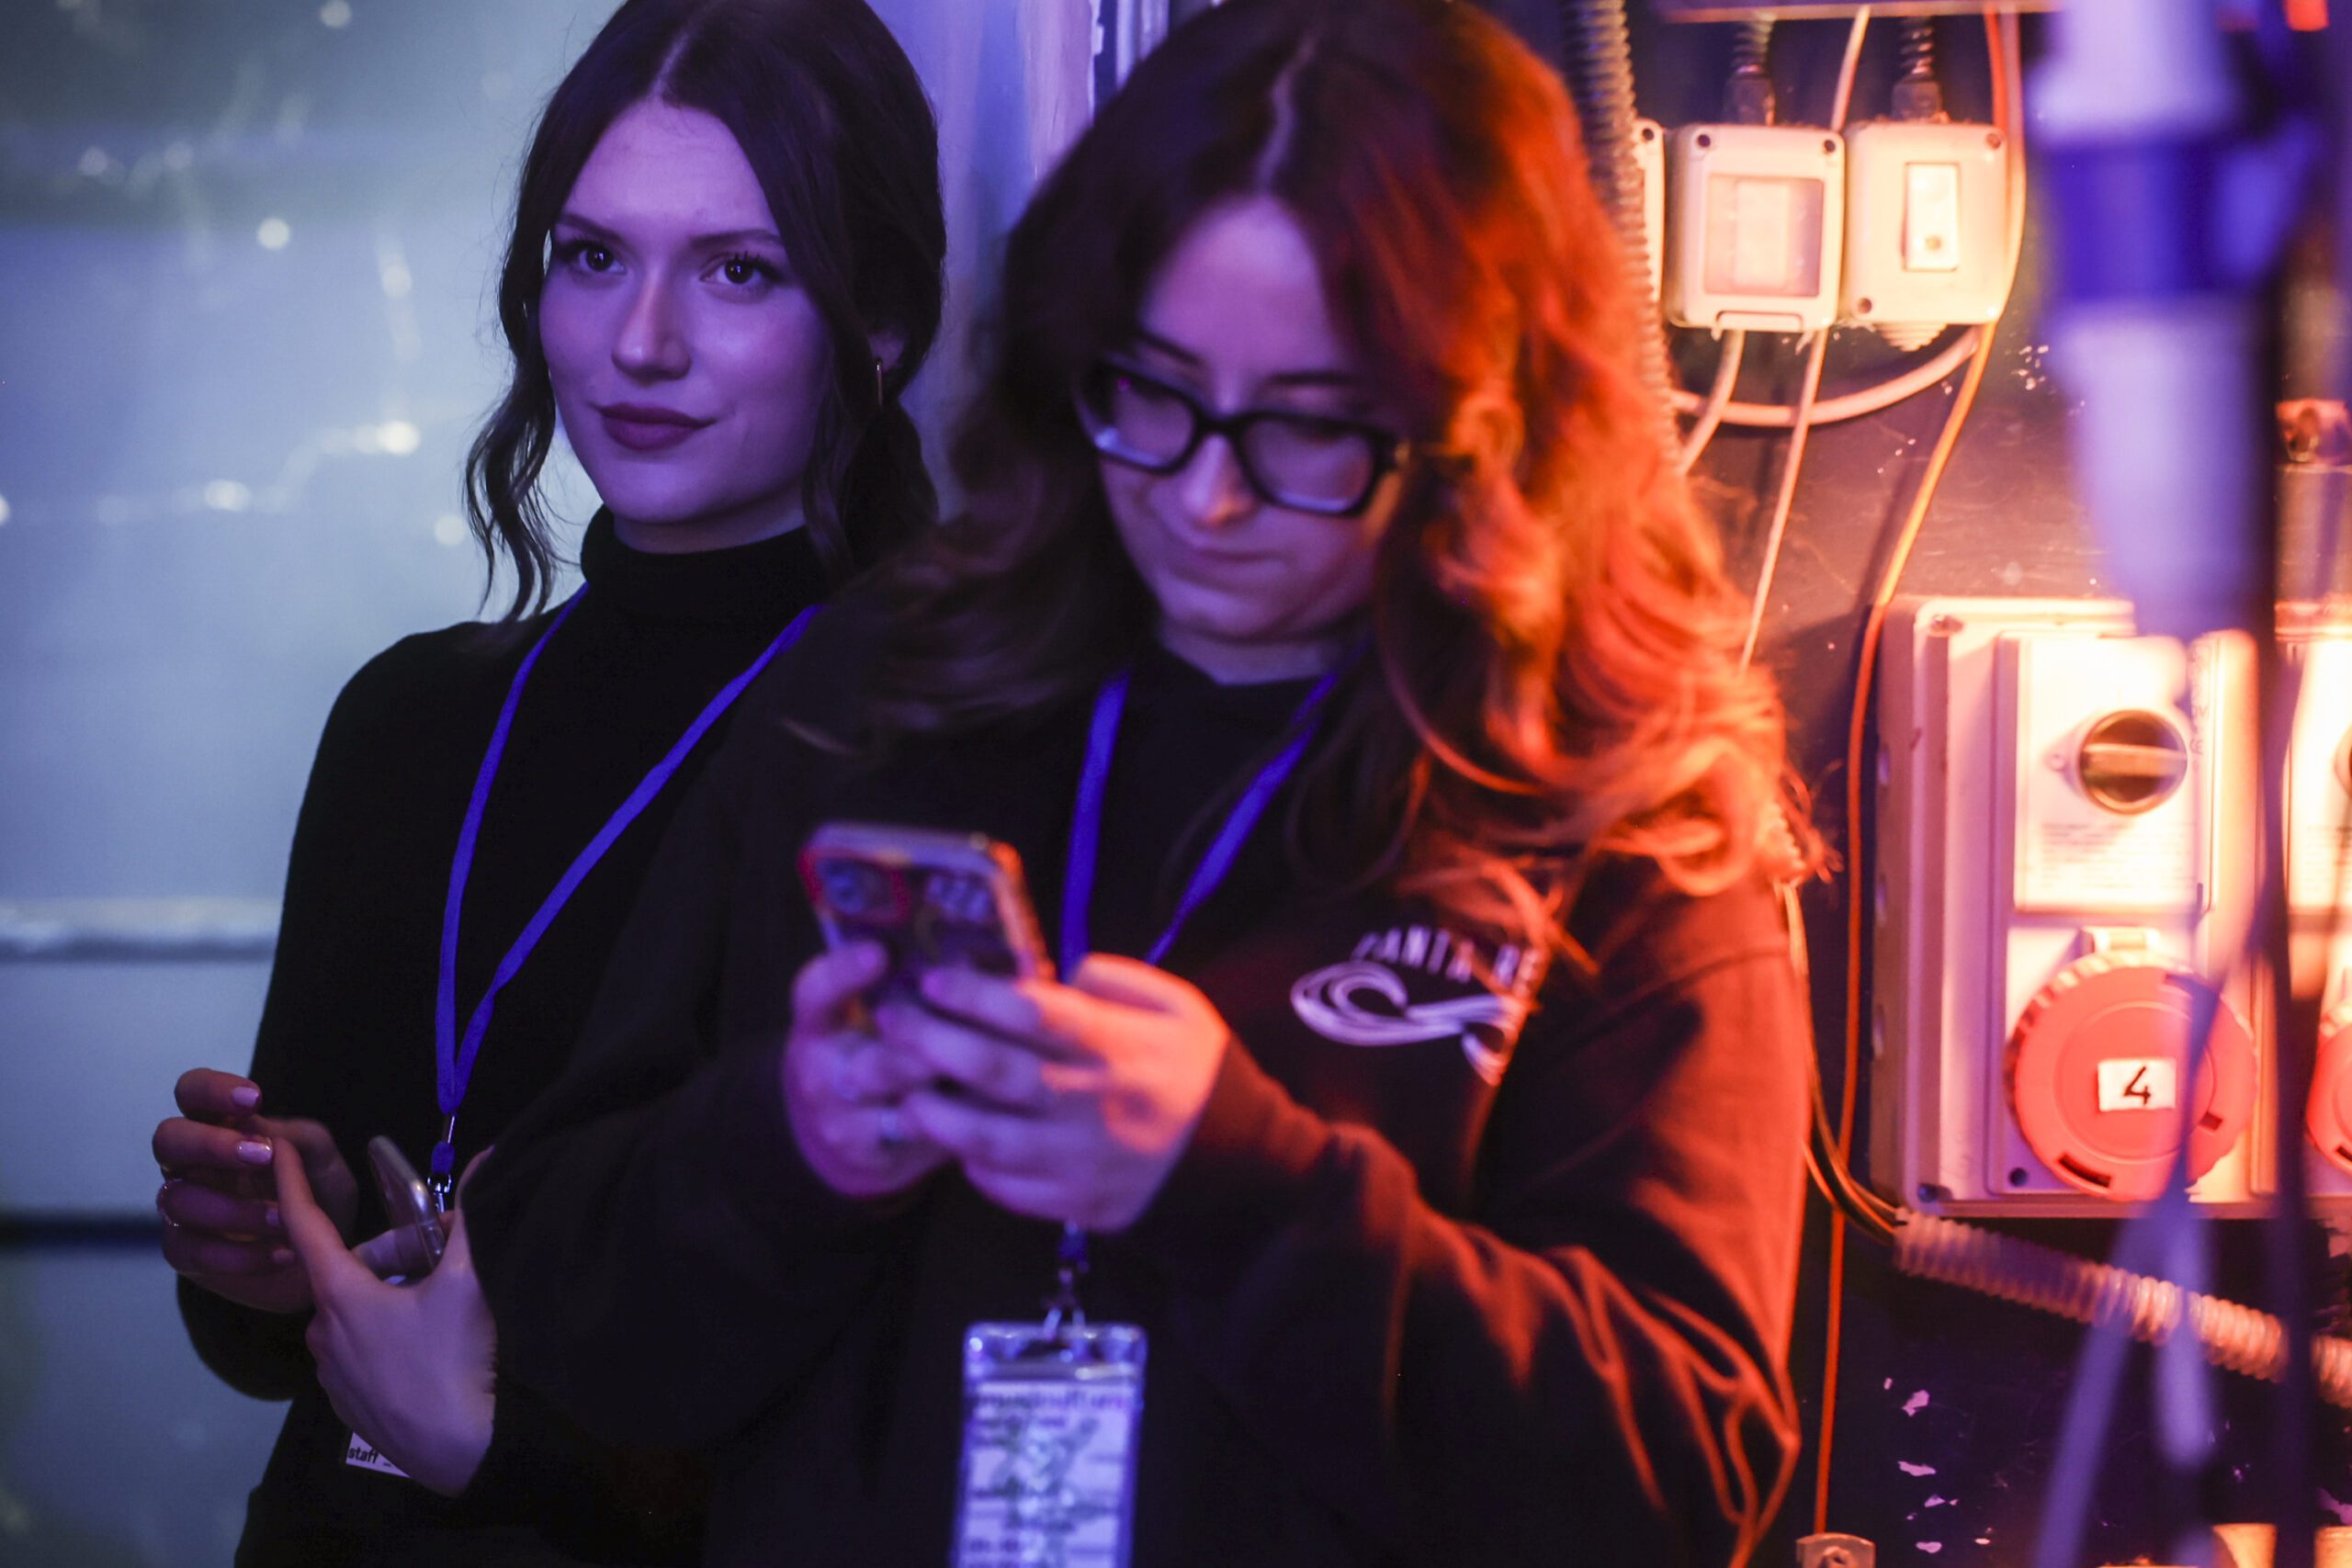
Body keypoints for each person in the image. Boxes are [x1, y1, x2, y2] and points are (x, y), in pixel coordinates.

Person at [462, 0, 1812, 1562]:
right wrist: (795, 1145)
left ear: (1487, 427)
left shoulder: (1619, 804)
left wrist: (1239, 1182)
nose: (1209, 499)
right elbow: (570, 1301)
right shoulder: (890, 690)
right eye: (1152, 396)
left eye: (1309, 431)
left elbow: (1679, 1485)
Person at [147, 1, 944, 1562]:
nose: (641, 342)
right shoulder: (411, 718)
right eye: (592, 257)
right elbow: (279, 1350)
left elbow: (901, 1407)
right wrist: (285, 1245)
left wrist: (494, 1448)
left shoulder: (931, 755)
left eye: (738, 270)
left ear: (882, 322)